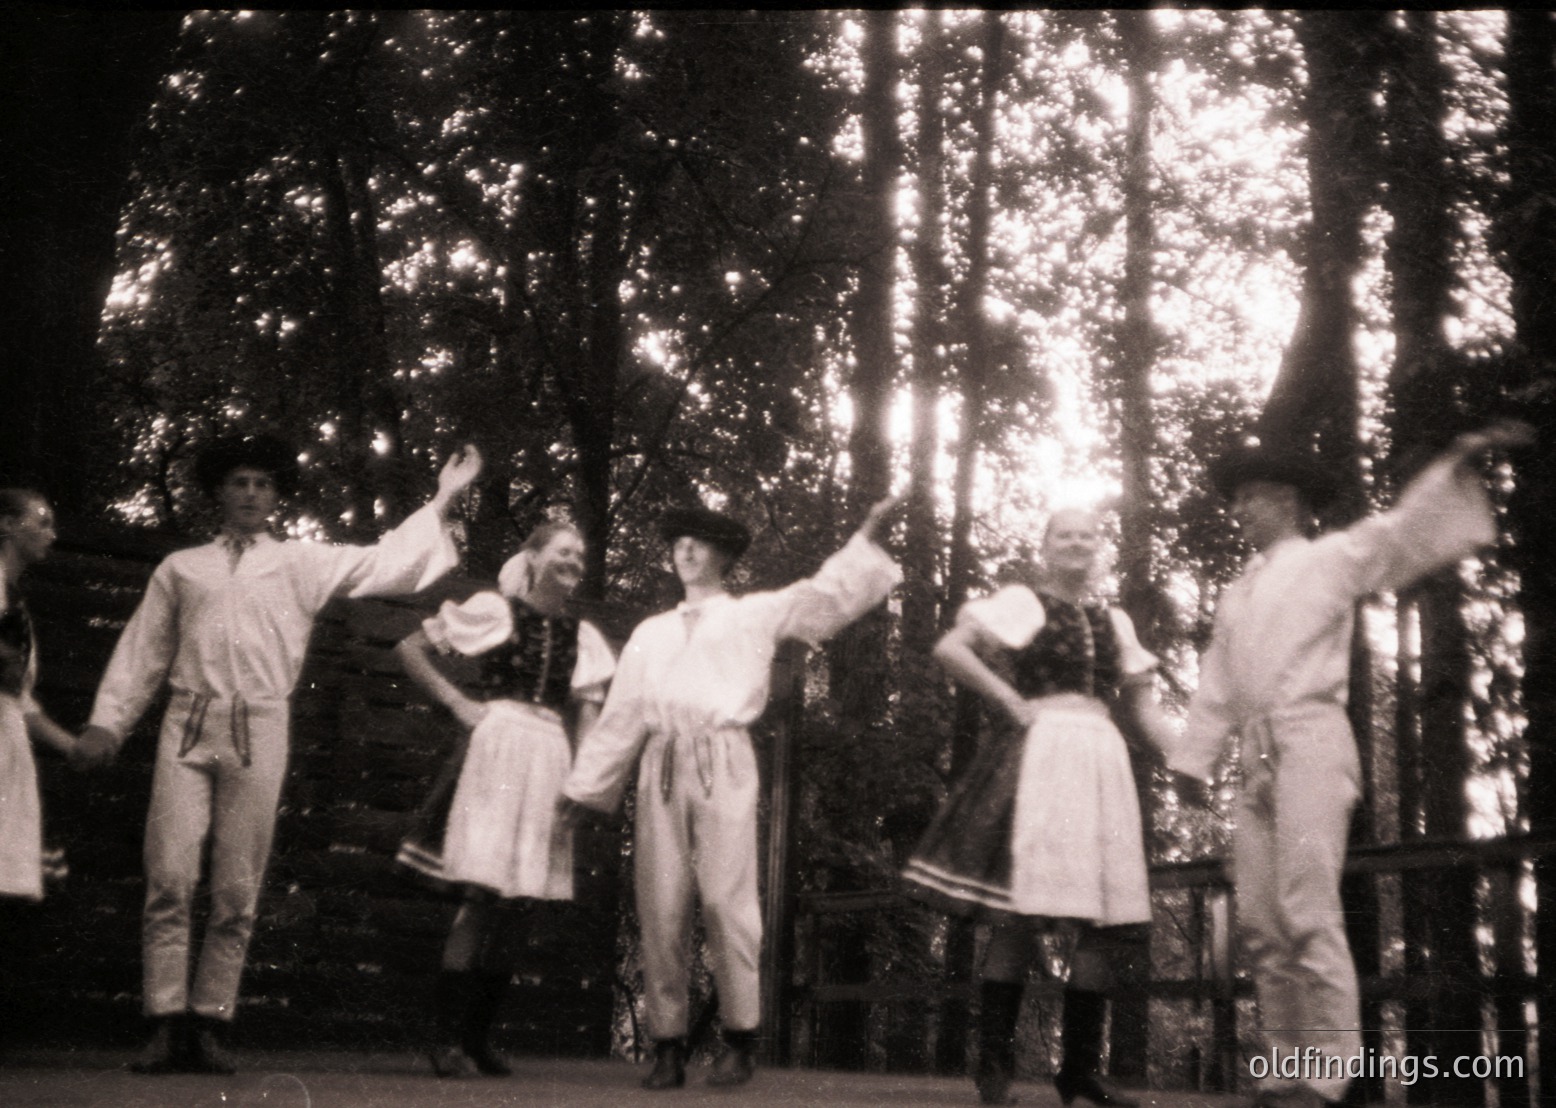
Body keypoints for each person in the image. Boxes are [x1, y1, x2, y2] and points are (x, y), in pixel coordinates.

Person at [73, 433, 482, 1075]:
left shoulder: (299, 561)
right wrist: (108, 723)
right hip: (187, 722)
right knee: (171, 875)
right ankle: (163, 1021)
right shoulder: (182, 568)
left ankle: (208, 1023)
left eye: (262, 484)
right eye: (239, 482)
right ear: (218, 493)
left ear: (275, 496)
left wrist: (444, 497)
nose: (251, 495)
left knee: (238, 882)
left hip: (260, 726)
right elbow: (143, 653)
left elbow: (386, 562)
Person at [1169, 422, 1532, 1108]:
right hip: (1255, 753)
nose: (1240, 510)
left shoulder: (1332, 556)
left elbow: (1403, 530)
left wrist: (1457, 456)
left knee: (1307, 907)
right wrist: (1195, 759)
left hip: (1310, 739)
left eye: (1253, 497)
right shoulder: (1236, 593)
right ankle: (1284, 1068)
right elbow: (1218, 682)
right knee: (1262, 923)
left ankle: (1328, 1076)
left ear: (1291, 500)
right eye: (1237, 499)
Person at [560, 497, 902, 1090]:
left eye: (699, 542)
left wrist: (866, 540)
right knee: (661, 903)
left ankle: (740, 1038)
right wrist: (584, 789)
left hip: (724, 757)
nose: (686, 550)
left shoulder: (751, 614)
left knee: (725, 899)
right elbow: (622, 717)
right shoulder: (650, 633)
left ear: (723, 556)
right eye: (678, 543)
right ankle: (667, 1045)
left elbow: (821, 597)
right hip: (662, 761)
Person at [902, 508, 1175, 1107]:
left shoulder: (1115, 621)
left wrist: (1191, 754)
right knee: (1019, 912)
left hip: (1101, 757)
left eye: (1087, 534)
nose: (1077, 542)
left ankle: (1078, 1071)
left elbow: (1145, 710)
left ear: (1099, 547)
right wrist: (1007, 699)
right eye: (1064, 534)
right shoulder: (1023, 602)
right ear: (1046, 547)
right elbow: (951, 649)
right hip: (1043, 752)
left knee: (1101, 920)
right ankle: (994, 1066)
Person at [393, 520, 615, 1078]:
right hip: (497, 751)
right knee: (482, 896)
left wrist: (583, 785)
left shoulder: (583, 636)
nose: (574, 562)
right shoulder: (496, 610)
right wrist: (457, 702)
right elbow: (412, 648)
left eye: (580, 556)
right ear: (534, 558)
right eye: (564, 551)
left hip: (548, 759)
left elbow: (587, 715)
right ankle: (444, 1040)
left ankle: (476, 1038)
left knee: (522, 905)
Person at [0, 490, 78, 903]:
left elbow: (19, 697)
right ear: (7, 525)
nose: (51, 533)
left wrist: (71, 745)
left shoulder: (17, 604)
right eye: (42, 521)